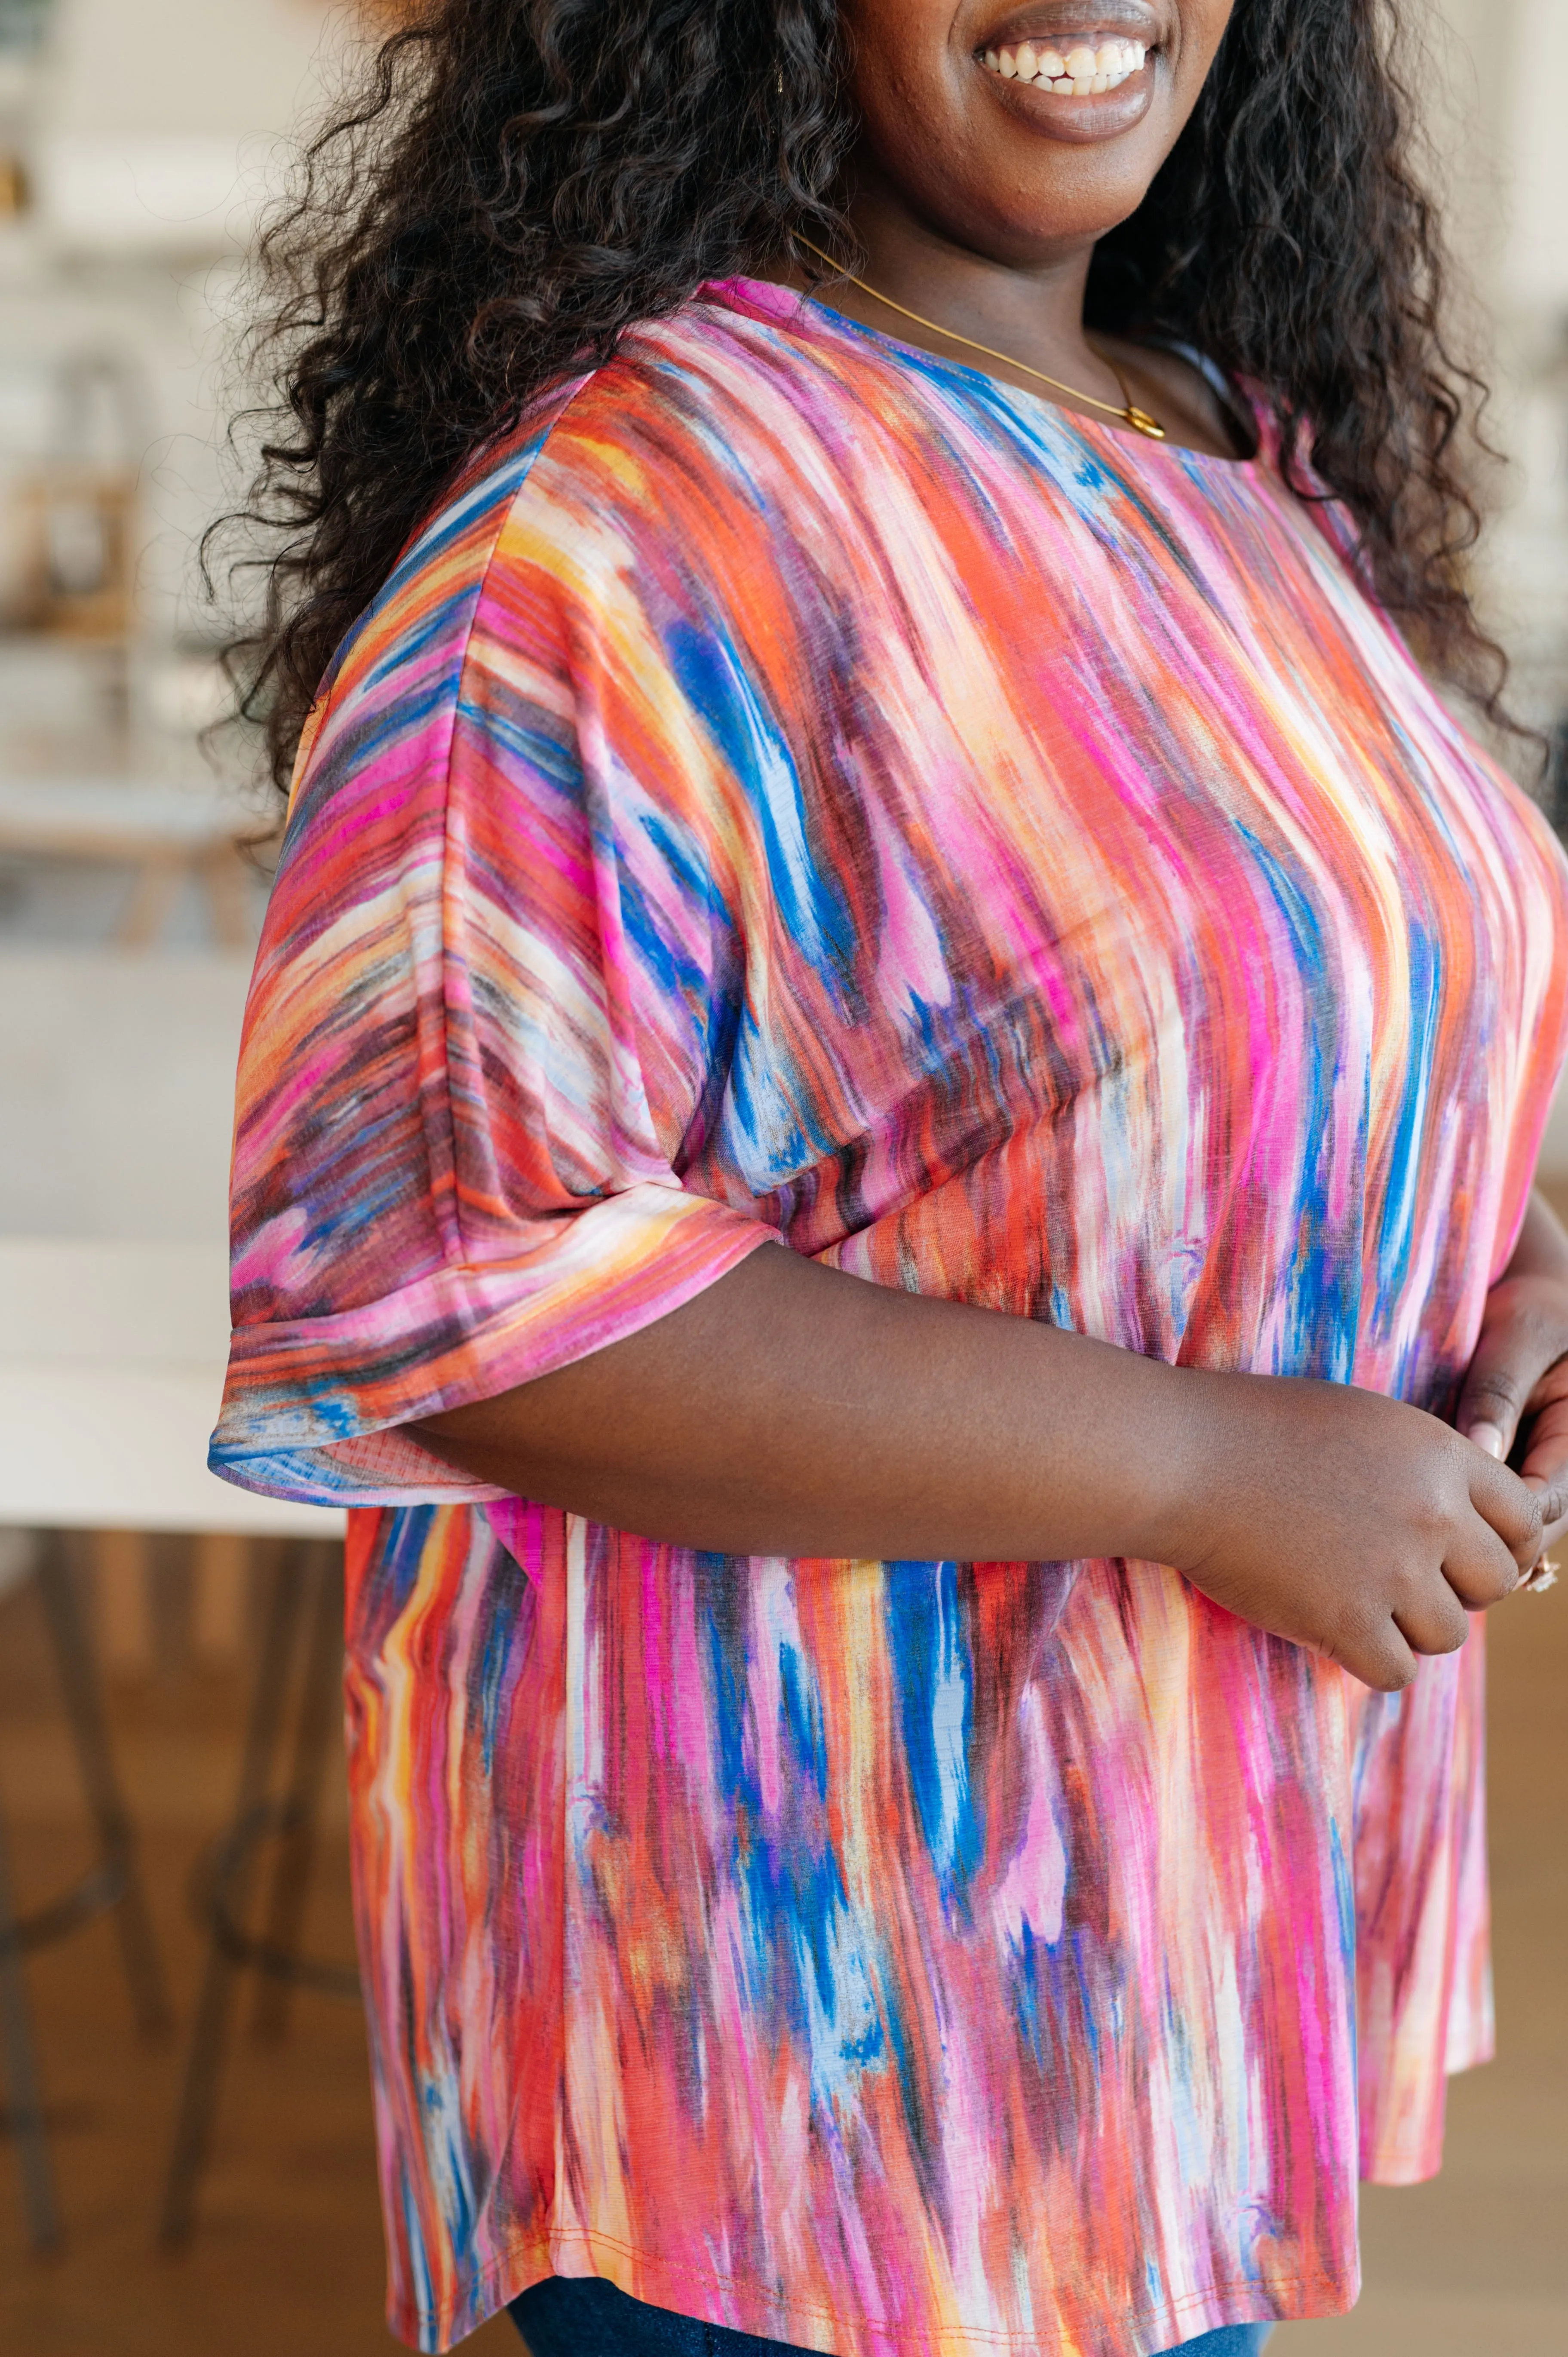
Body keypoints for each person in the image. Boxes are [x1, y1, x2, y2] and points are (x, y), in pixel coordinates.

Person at [211, 2, 1568, 2353]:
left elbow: (1271, 1016)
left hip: (1143, 1963)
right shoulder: (622, 522)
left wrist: (1506, 1252)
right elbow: (435, 1268)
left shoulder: (1229, 447)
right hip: (802, 2033)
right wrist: (1210, 1464)